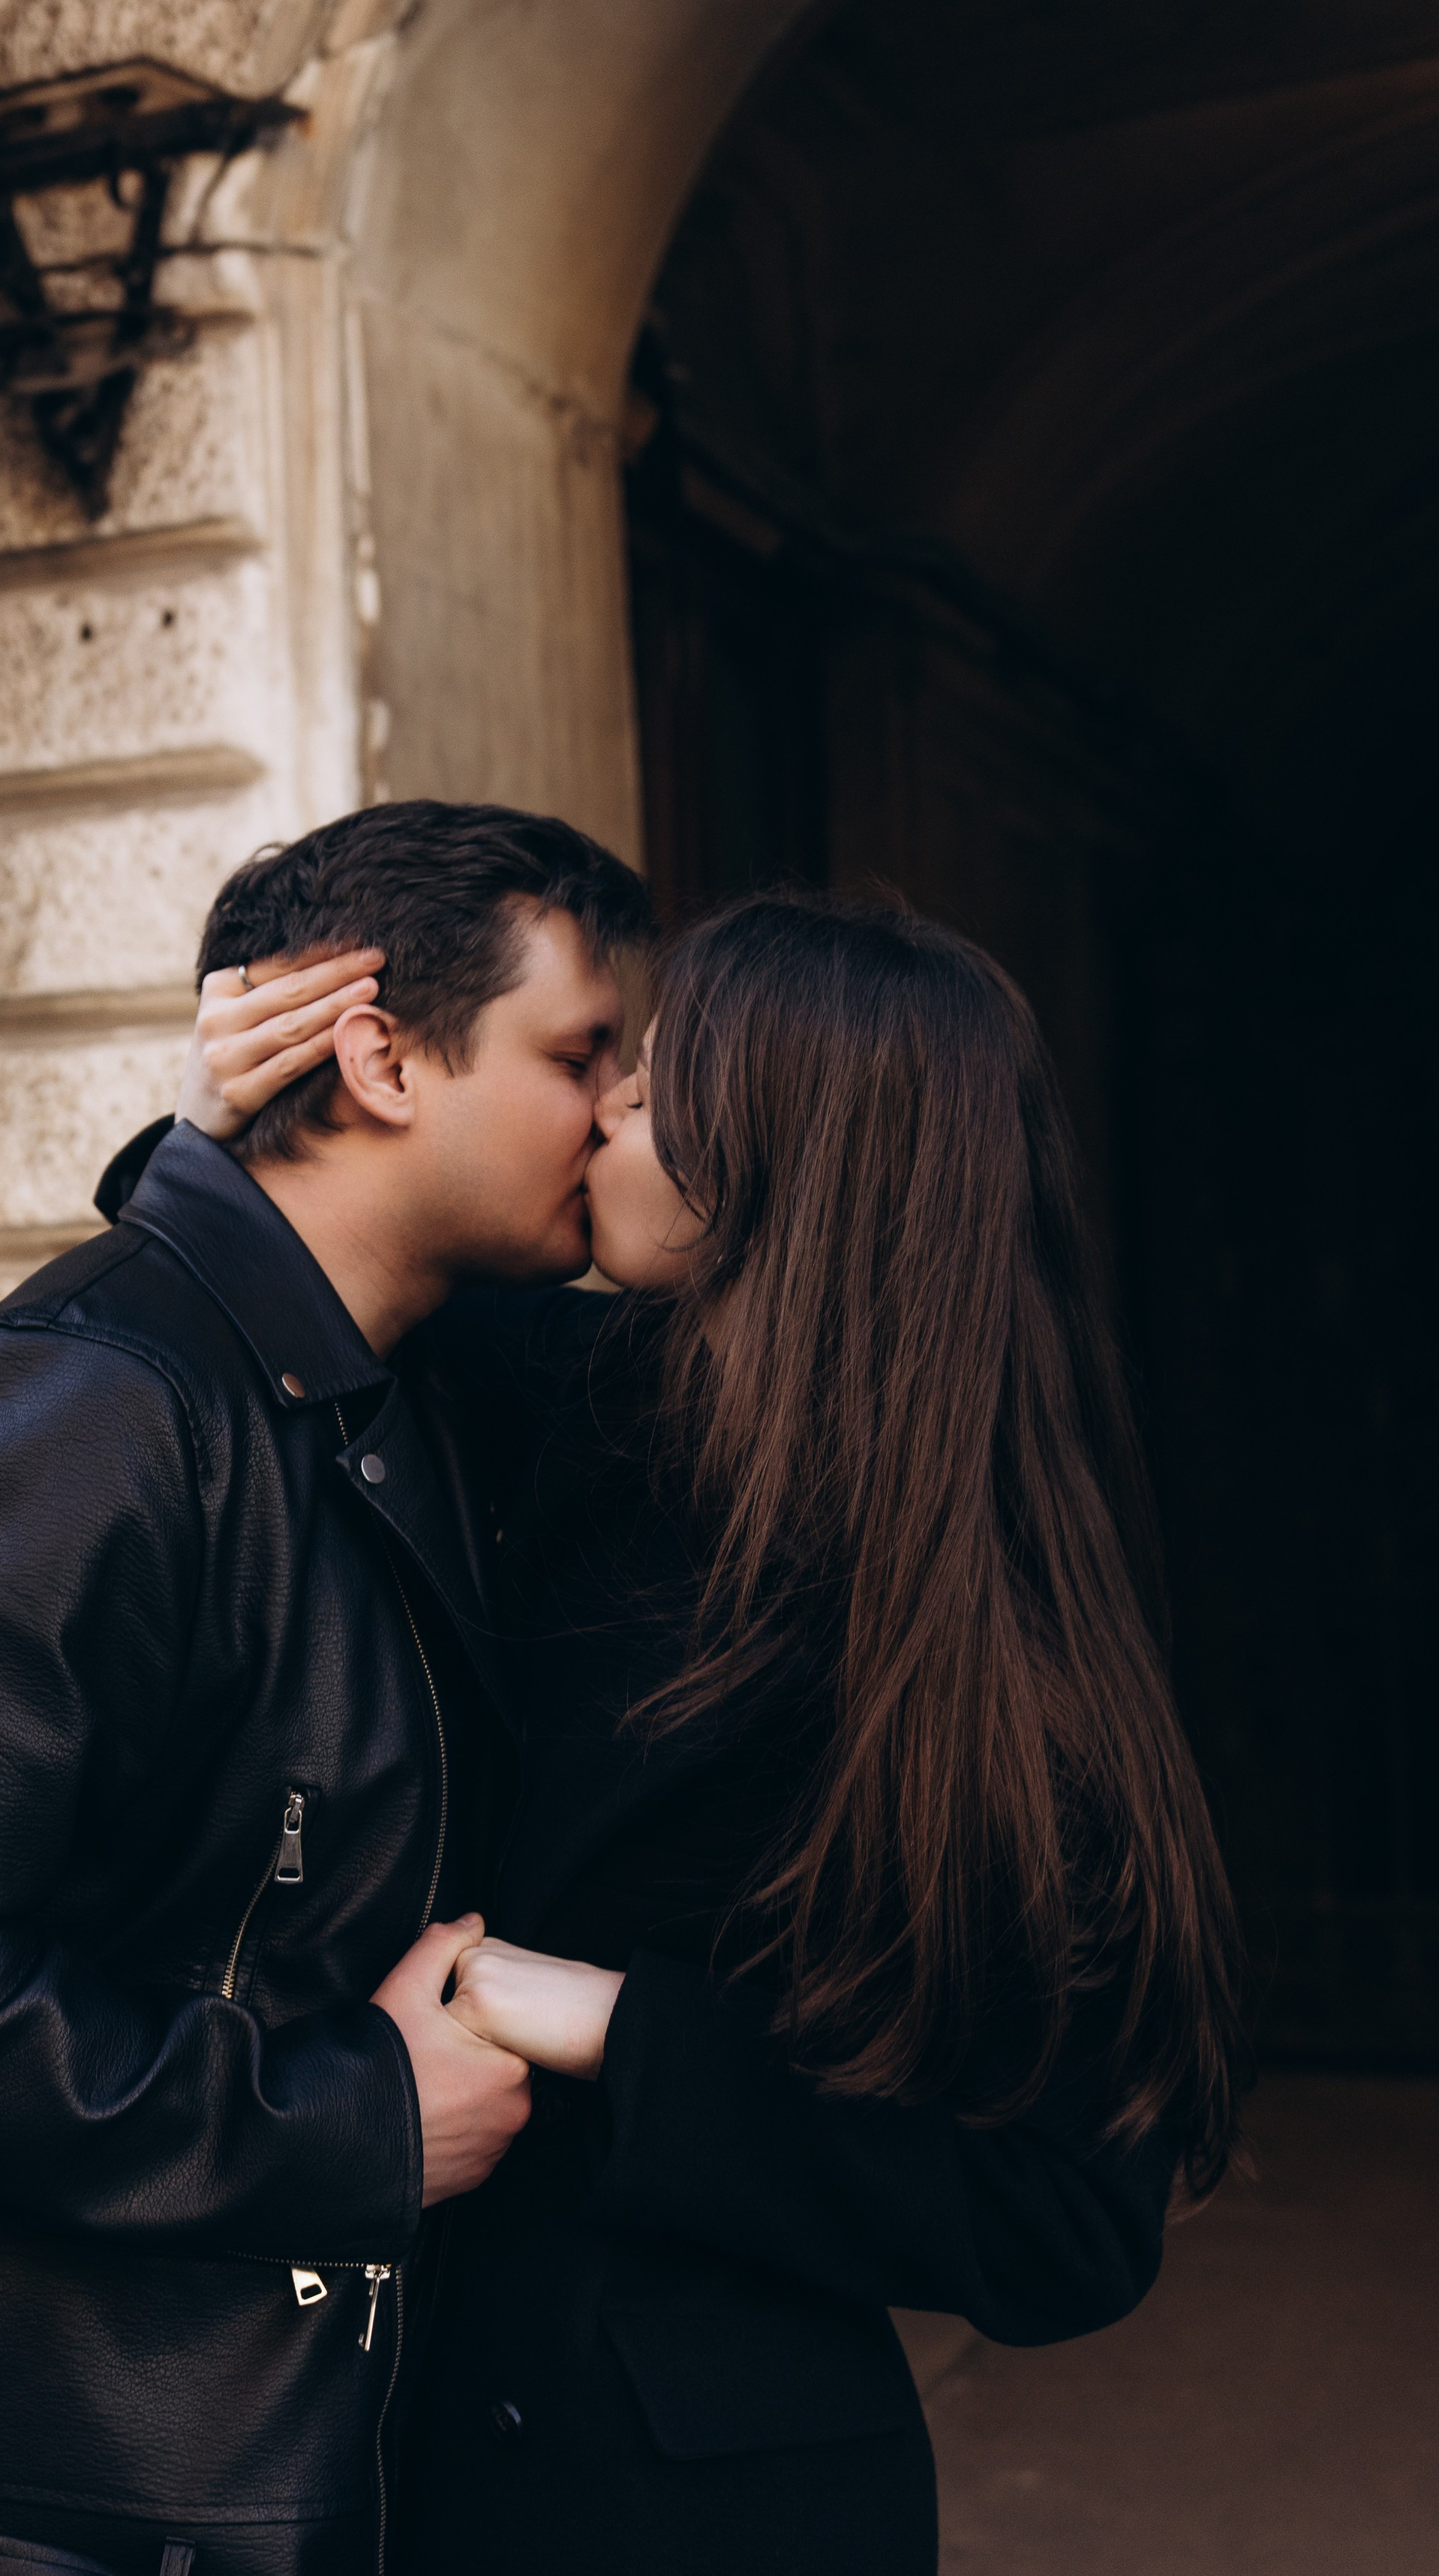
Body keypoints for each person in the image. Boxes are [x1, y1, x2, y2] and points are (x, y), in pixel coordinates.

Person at [182, 885, 1246, 2576]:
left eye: (651, 1085)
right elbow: (292, 1308)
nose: (599, 1107)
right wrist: (219, 1142)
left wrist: (622, 2030)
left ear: (779, 1174)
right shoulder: (557, 1397)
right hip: (375, 2429)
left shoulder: (971, 1650)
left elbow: (1062, 2219)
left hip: (693, 2499)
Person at [0, 801, 653, 2576]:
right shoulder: (83, 1411)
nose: (610, 1111)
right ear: (376, 1054)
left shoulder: (407, 1393)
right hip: (15, 2503)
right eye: (577, 1052)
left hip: (238, 2471)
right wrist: (348, 2123)